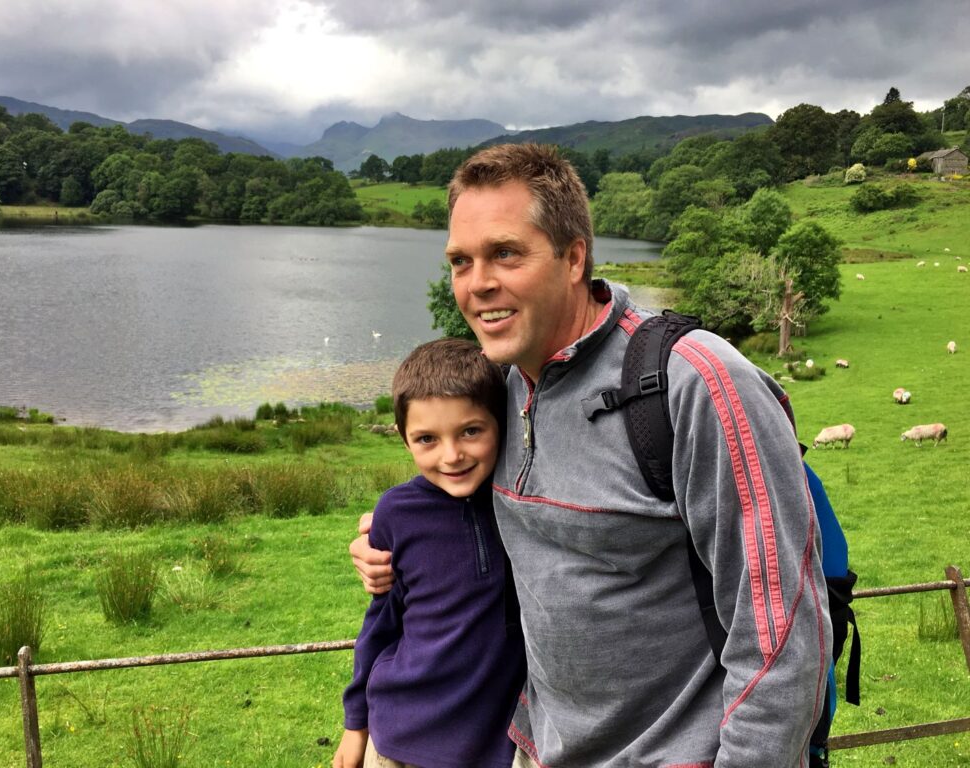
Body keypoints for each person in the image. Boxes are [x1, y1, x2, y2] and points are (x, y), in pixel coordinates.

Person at [351, 143, 832, 767]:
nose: (478, 284)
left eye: (505, 253)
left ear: (574, 256)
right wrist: (384, 538)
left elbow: (780, 636)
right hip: (538, 747)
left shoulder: (696, 384)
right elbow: (462, 491)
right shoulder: (505, 384)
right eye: (460, 261)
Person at [333, 337, 526, 768]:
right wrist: (355, 725)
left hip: (497, 742)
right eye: (426, 439)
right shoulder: (395, 513)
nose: (452, 455)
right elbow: (380, 625)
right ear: (403, 439)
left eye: (471, 431)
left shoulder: (522, 496)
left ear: (502, 423)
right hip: (401, 735)